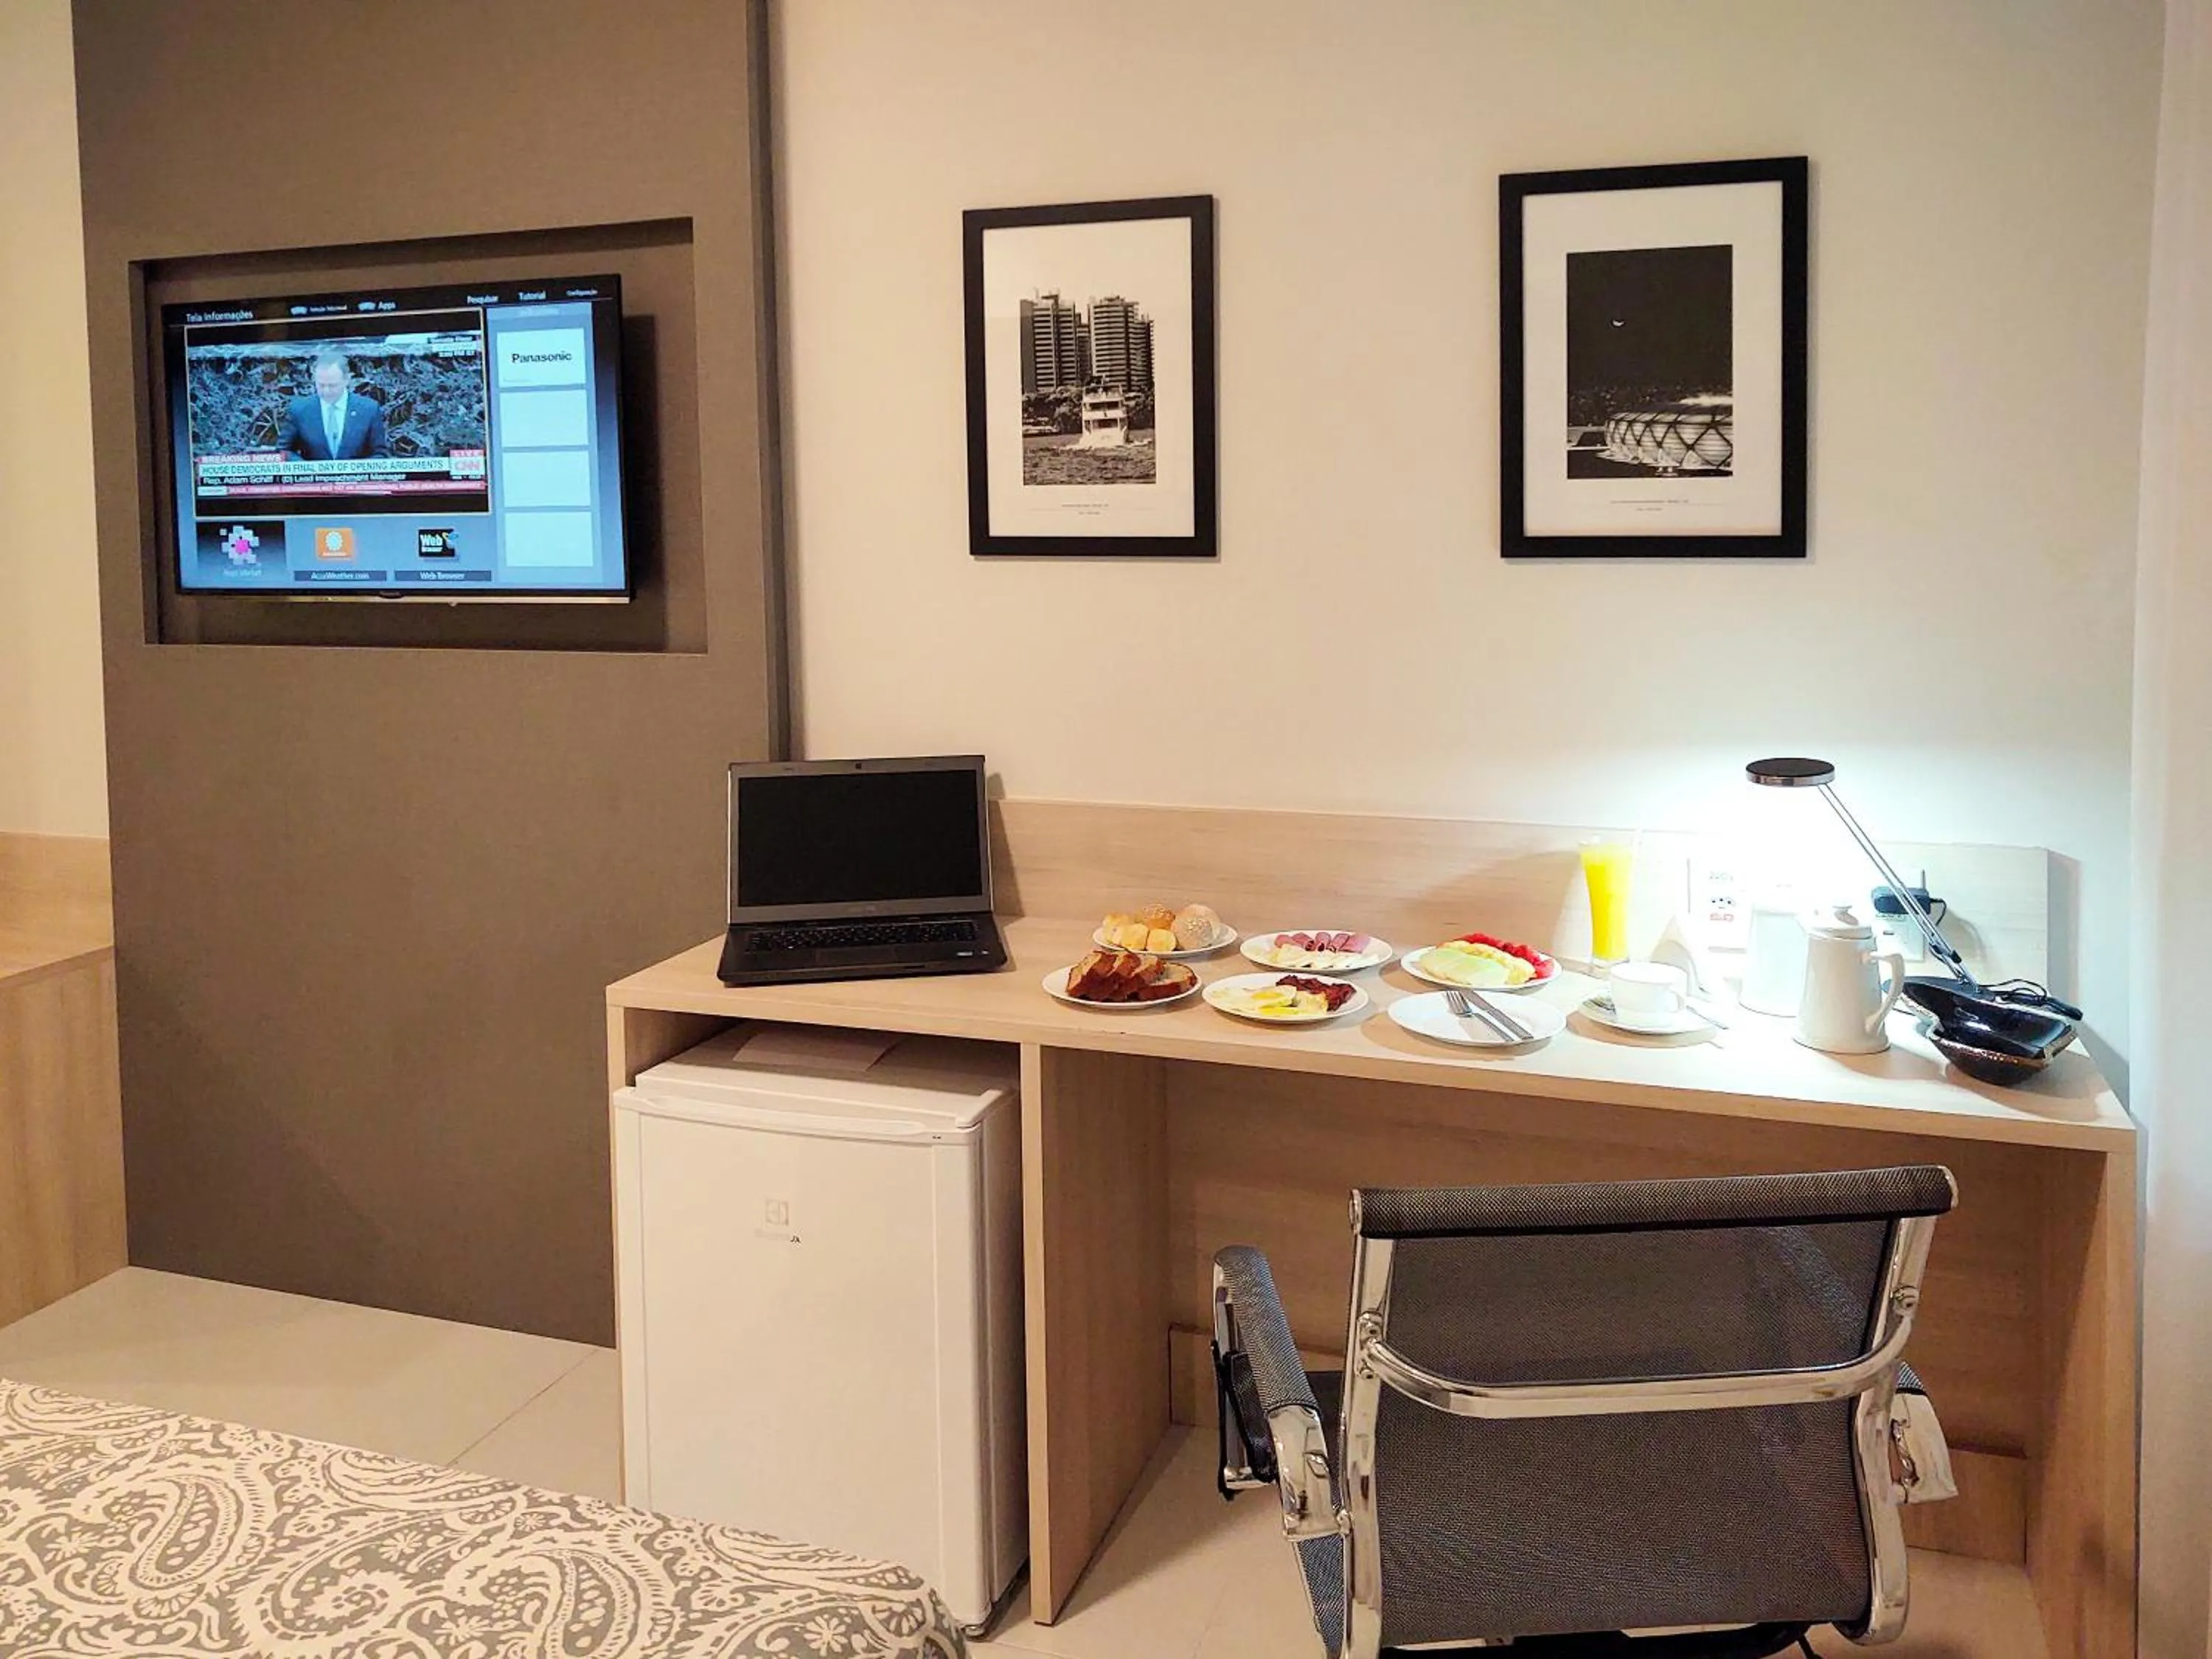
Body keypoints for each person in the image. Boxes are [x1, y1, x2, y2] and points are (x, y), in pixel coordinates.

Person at [276, 352, 391, 461]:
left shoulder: (368, 409)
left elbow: (380, 453)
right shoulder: (299, 410)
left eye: (332, 385)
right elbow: (283, 451)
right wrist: (308, 469)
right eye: (321, 385)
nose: (326, 391)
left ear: (347, 380)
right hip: (313, 479)